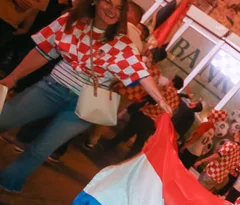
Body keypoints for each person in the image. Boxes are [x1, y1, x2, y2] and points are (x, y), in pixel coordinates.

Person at [0, 0, 172, 192]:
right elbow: (44, 51)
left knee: (40, 150)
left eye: (119, 8)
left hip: (84, 106)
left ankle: (8, 182)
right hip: (52, 88)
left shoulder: (123, 42)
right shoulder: (72, 22)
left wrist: (160, 99)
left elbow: (140, 72)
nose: (112, 10)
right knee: (5, 117)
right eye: (108, 2)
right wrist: (13, 77)